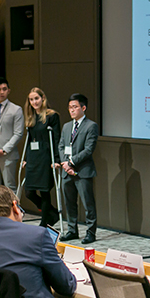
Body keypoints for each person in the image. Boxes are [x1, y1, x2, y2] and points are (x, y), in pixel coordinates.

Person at [58, 93, 99, 245]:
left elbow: (89, 150)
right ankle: (72, 230)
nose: (72, 110)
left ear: (83, 107)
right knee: (69, 203)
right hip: (66, 171)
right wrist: (64, 163)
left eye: (75, 107)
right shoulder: (67, 126)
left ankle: (90, 232)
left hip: (83, 171)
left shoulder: (91, 126)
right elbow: (61, 146)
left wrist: (71, 162)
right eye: (70, 107)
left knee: (88, 203)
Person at [22, 87, 61, 227]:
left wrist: (56, 160)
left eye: (36, 98)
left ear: (43, 98)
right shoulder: (31, 117)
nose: (34, 102)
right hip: (33, 158)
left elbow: (56, 140)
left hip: (45, 158)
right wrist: (25, 158)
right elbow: (29, 140)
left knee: (44, 191)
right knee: (29, 192)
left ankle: (44, 223)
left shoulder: (52, 116)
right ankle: (52, 213)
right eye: (31, 99)